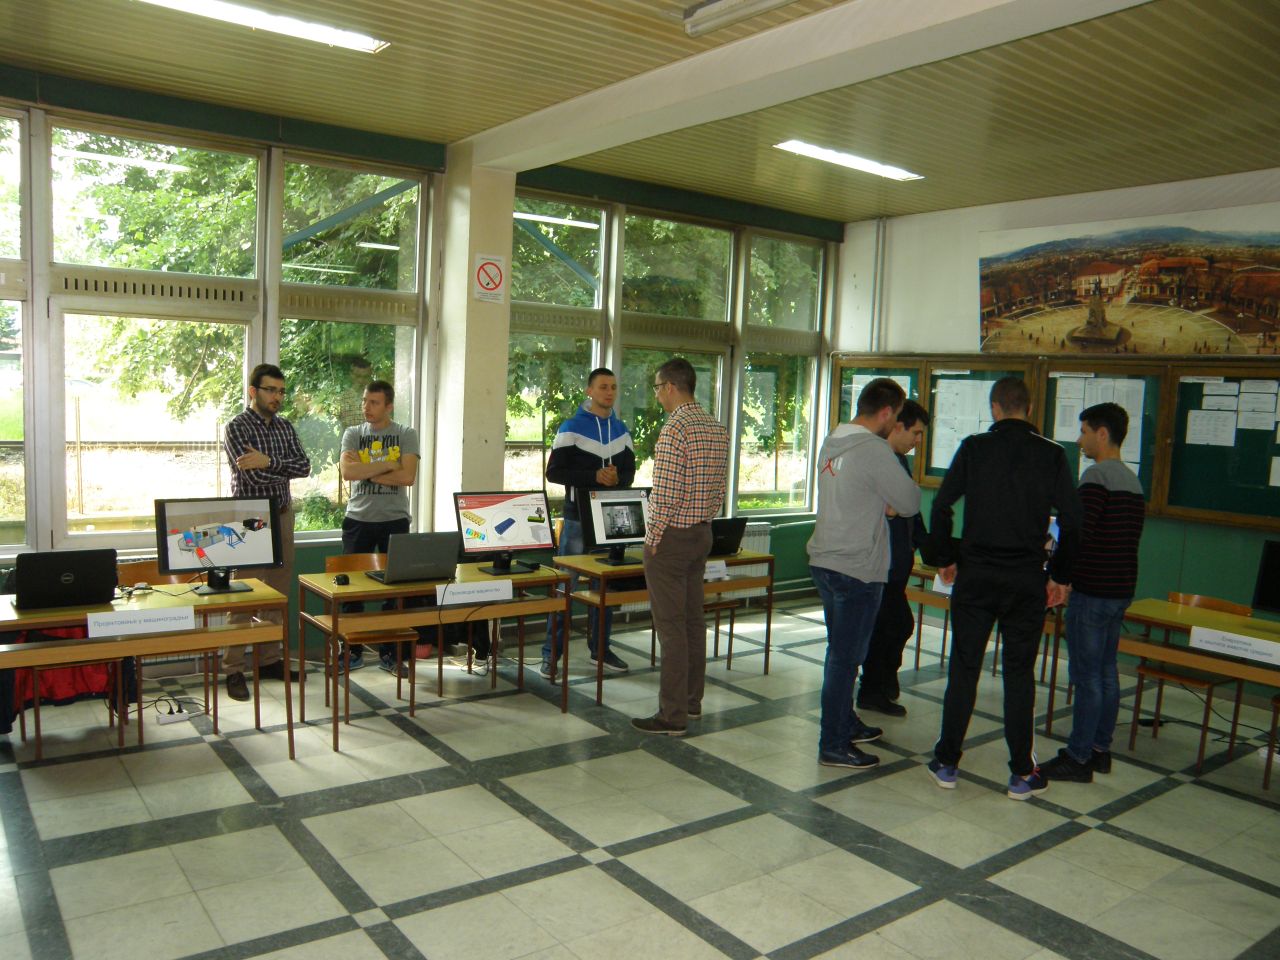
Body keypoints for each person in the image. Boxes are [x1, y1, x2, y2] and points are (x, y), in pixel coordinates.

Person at [926, 376, 1081, 800]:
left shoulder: (974, 447)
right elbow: (1073, 520)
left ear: (994, 408)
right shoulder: (1052, 454)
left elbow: (942, 505)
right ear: (1029, 409)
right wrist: (1060, 576)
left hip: (976, 576)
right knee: (1018, 673)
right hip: (1025, 579)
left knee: (964, 667)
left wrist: (945, 557)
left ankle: (946, 762)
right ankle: (1021, 773)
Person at [808, 379, 922, 769]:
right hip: (857, 567)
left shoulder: (833, 439)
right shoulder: (874, 449)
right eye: (898, 415)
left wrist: (884, 502)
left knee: (839, 654)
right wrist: (889, 502)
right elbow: (909, 501)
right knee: (845, 660)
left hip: (826, 561)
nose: (897, 424)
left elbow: (866, 496)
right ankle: (833, 743)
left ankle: (845, 723)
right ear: (887, 412)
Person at [1041, 403, 1145, 782]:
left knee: (1086, 676)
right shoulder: (1133, 481)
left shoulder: (1096, 476)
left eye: (1084, 431)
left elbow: (1077, 532)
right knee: (1106, 672)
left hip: (1093, 590)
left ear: (1102, 434)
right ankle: (1100, 750)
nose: (1079, 439)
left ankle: (1078, 757)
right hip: (1120, 590)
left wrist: (1058, 574)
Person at [631, 358, 729, 736]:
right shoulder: (715, 427)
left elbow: (666, 494)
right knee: (692, 622)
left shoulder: (675, 429)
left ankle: (671, 716)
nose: (657, 396)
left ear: (670, 386)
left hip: (671, 539)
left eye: (658, 389)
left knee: (670, 627)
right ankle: (691, 701)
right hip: (702, 534)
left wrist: (652, 538)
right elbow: (719, 490)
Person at [222, 363, 312, 702]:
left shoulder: (285, 427)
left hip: (283, 516)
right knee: (244, 596)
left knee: (276, 593)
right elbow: (253, 477)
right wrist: (274, 467)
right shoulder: (236, 427)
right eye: (271, 390)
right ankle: (233, 669)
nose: (277, 397)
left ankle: (269, 660)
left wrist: (268, 461)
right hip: (251, 521)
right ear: (253, 391)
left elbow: (305, 466)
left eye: (281, 391)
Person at [542, 367, 636, 678]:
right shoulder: (571, 428)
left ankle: (601, 649)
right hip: (577, 518)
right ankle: (551, 654)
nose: (609, 392)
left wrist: (616, 478)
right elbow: (554, 473)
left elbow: (629, 474)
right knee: (565, 587)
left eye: (613, 387)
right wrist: (593, 476)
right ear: (589, 391)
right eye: (603, 387)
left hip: (609, 520)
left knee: (604, 587)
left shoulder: (622, 431)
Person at [336, 380, 420, 673]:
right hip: (357, 520)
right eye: (364, 401)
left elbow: (408, 477)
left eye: (373, 402)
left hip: (394, 521)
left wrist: (367, 470)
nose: (366, 407)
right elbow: (348, 472)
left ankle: (391, 654)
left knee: (394, 591)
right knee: (351, 590)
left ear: (389, 406)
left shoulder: (406, 434)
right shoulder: (353, 434)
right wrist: (388, 464)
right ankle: (351, 652)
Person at [857, 398, 930, 717]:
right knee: (889, 626)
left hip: (898, 564)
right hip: (880, 565)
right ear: (897, 426)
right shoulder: (881, 460)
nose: (918, 441)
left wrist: (926, 546)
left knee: (898, 624)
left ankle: (882, 680)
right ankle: (872, 689)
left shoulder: (899, 460)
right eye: (915, 433)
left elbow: (911, 511)